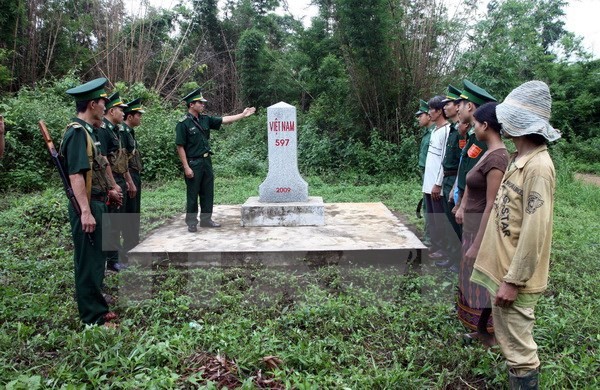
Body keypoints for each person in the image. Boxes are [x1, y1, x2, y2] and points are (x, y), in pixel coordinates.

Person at [471, 81, 560, 389]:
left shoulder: (538, 167)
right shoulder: (518, 159)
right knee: (510, 345)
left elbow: (536, 230)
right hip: (504, 269)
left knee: (521, 353)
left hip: (515, 278)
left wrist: (513, 281)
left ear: (519, 123)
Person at [60, 77, 121, 326]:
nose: (106, 107)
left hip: (98, 202)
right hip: (86, 206)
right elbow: (76, 175)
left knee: (96, 259)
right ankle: (92, 317)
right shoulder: (76, 133)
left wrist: (111, 189)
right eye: (103, 102)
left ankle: (97, 303)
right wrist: (85, 211)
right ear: (93, 104)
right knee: (88, 262)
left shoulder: (90, 132)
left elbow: (98, 168)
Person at [455, 102, 509, 346]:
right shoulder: (487, 151)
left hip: (481, 230)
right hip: (472, 226)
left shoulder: (498, 158)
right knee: (472, 281)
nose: (473, 128)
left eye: (475, 124)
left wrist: (477, 245)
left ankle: (491, 333)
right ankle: (481, 330)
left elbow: (492, 205)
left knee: (482, 282)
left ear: (486, 126)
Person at [175, 88, 256, 232]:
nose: (203, 105)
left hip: (206, 162)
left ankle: (206, 220)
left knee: (208, 192)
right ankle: (192, 222)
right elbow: (180, 146)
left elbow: (224, 120)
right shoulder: (183, 123)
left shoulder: (205, 119)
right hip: (193, 162)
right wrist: (186, 167)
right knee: (193, 194)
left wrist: (243, 115)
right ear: (191, 104)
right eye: (200, 102)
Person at [98, 92, 132, 272]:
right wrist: (113, 184)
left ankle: (115, 256)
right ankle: (112, 261)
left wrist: (126, 181)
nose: (123, 114)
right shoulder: (103, 130)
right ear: (111, 111)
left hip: (119, 179)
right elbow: (103, 160)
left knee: (117, 221)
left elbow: (121, 159)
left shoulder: (115, 130)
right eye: (121, 110)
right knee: (111, 222)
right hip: (110, 182)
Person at [434, 85, 467, 270]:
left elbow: (463, 162)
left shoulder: (463, 131)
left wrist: (455, 186)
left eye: (450, 103)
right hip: (448, 179)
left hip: (455, 179)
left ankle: (458, 260)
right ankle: (452, 256)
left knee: (457, 223)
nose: (445, 107)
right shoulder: (454, 129)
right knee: (449, 221)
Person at [452, 80, 497, 216]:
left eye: (459, 105)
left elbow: (474, 176)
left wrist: (462, 205)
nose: (457, 109)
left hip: (473, 207)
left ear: (470, 106)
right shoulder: (472, 136)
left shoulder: (482, 139)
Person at [422, 96, 451, 261]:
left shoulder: (447, 131)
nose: (429, 113)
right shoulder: (435, 130)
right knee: (431, 216)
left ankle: (443, 247)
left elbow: (444, 160)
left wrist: (438, 183)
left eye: (431, 109)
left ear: (439, 111)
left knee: (440, 218)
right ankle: (434, 243)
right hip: (428, 182)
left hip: (436, 185)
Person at [122, 98, 144, 253]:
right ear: (129, 116)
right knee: (129, 212)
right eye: (138, 115)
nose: (140, 118)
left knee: (134, 210)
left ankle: (133, 242)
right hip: (128, 175)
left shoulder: (130, 132)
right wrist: (129, 180)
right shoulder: (122, 132)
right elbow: (121, 160)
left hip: (135, 174)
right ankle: (129, 245)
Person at [416, 99, 433, 245]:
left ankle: (430, 238)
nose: (418, 118)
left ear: (428, 115)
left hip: (431, 173)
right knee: (427, 204)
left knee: (431, 206)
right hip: (425, 172)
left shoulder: (435, 133)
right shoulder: (428, 132)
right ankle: (429, 236)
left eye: (420, 115)